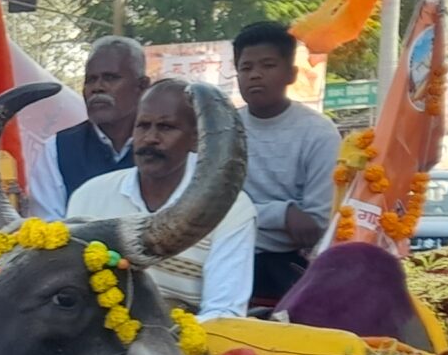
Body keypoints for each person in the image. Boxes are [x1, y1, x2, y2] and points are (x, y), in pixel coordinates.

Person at [63, 78, 255, 319]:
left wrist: (151, 340)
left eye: (166, 127)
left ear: (196, 139)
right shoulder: (89, 195)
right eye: (143, 126)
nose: (150, 138)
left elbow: (223, 313)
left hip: (180, 348)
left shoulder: (232, 208)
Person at [230, 20, 343, 307]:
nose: (255, 75)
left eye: (268, 65)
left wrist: (243, 218)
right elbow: (210, 214)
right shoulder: (224, 131)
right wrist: (283, 214)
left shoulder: (319, 134)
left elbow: (314, 225)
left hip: (293, 272)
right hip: (227, 258)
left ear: (291, 74)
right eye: (246, 68)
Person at [53, 35, 146, 201]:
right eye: (90, 80)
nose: (97, 88)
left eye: (110, 78)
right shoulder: (56, 149)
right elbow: (48, 223)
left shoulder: (166, 145)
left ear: (141, 86)